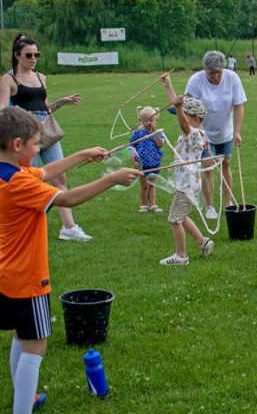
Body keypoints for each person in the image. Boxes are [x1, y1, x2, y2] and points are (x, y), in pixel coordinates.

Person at [0, 106, 140, 413]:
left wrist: (81, 155)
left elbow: (45, 171)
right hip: (27, 276)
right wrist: (112, 179)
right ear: (17, 145)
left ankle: (24, 397)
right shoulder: (20, 184)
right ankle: (22, 407)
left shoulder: (10, 172)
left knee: (21, 336)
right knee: (36, 345)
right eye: (37, 144)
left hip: (6, 274)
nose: (40, 150)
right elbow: (66, 198)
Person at [0, 33, 93, 242]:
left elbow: (44, 108)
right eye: (29, 55)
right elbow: (4, 111)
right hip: (23, 135)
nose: (33, 58)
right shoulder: (8, 79)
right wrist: (25, 124)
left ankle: (69, 227)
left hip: (46, 130)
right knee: (29, 178)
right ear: (17, 55)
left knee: (60, 176)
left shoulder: (41, 77)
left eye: (37, 54)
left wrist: (61, 102)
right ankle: (25, 228)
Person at [159, 74, 214, 266]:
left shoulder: (195, 134)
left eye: (185, 114)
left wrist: (178, 107)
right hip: (186, 183)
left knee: (175, 219)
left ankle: (181, 256)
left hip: (186, 184)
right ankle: (203, 242)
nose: (181, 118)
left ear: (196, 119)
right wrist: (169, 86)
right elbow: (179, 111)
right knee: (181, 216)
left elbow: (182, 122)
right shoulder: (194, 131)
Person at [185, 51, 247, 219]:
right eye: (212, 73)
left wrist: (237, 131)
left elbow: (239, 106)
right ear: (205, 69)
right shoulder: (195, 81)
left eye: (219, 71)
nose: (216, 76)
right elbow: (191, 112)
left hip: (225, 131)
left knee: (225, 164)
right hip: (202, 131)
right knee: (208, 166)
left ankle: (228, 204)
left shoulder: (232, 78)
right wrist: (201, 134)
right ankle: (210, 207)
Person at [132, 106, 164, 213]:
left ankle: (153, 205)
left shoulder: (158, 133)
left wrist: (154, 133)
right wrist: (134, 160)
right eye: (147, 120)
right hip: (142, 164)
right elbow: (131, 147)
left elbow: (160, 145)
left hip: (154, 162)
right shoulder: (138, 133)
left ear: (156, 120)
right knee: (144, 185)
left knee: (152, 185)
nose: (150, 123)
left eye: (152, 120)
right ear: (141, 121)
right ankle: (144, 205)